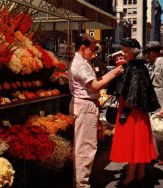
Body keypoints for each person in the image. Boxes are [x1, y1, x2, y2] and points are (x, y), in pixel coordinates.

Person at [68, 33, 124, 188]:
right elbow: (95, 86)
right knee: (85, 148)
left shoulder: (84, 62)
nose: (94, 53)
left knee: (86, 146)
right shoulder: (80, 64)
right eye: (91, 50)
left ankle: (81, 181)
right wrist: (114, 73)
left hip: (87, 105)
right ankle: (81, 184)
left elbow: (96, 81)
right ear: (82, 48)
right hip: (85, 105)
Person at [109, 38, 160, 187]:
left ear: (133, 52)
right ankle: (140, 172)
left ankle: (131, 175)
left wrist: (118, 73)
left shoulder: (132, 67)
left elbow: (124, 91)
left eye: (125, 51)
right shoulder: (140, 67)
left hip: (130, 111)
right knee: (140, 141)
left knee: (132, 143)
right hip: (139, 111)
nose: (122, 53)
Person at [143, 41, 163, 165]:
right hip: (154, 103)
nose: (146, 56)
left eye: (147, 53)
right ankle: (158, 154)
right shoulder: (154, 64)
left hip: (161, 103)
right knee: (156, 130)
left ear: (152, 52)